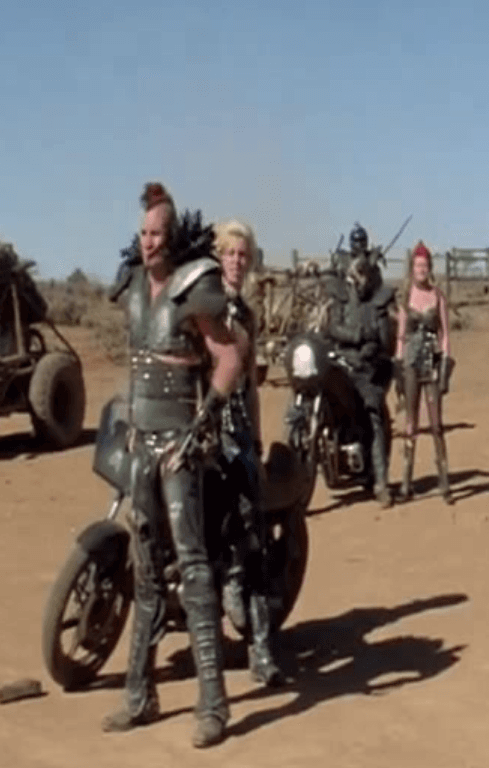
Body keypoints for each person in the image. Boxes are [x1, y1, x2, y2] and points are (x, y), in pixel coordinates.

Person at [102, 182, 246, 748]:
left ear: (172, 235)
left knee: (193, 567)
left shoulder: (194, 287)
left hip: (178, 448)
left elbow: (229, 355)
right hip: (140, 444)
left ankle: (213, 705)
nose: (148, 242)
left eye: (157, 233)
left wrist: (203, 420)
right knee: (145, 569)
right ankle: (139, 696)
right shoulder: (134, 287)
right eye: (143, 233)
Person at [212, 219, 290, 688]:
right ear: (218, 256)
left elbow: (250, 386)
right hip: (202, 426)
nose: (237, 262)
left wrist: (256, 439)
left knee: (253, 533)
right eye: (230, 253)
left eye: (243, 255)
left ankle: (261, 651)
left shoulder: (248, 314)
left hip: (238, 428)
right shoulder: (201, 304)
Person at [327, 248, 398, 507]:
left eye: (361, 276)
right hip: (341, 363)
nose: (357, 282)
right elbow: (333, 328)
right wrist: (358, 335)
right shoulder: (340, 299)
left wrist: (370, 349)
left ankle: (381, 483)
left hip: (368, 369)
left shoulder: (379, 303)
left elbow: (384, 340)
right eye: (353, 277)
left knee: (373, 414)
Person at [395, 241, 453, 504]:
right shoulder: (406, 296)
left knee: (437, 424)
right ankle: (406, 484)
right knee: (411, 424)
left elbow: (445, 334)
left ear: (430, 268)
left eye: (425, 265)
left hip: (431, 364)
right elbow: (400, 335)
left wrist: (445, 364)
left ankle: (444, 483)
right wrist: (398, 365)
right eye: (418, 265)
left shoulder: (437, 296)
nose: (421, 269)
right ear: (412, 268)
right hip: (410, 364)